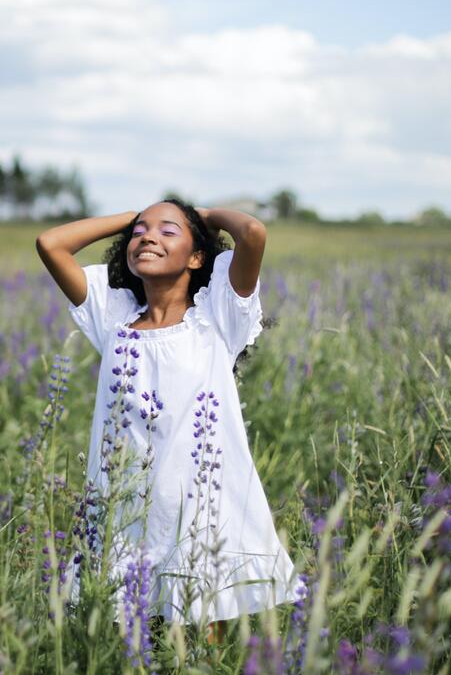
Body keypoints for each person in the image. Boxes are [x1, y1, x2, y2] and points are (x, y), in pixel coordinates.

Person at [36, 199, 301, 646]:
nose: (148, 238)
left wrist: (203, 215)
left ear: (197, 257)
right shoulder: (114, 317)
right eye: (140, 233)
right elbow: (51, 244)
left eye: (168, 232)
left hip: (199, 509)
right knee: (127, 646)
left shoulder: (217, 317)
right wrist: (135, 218)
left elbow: (252, 233)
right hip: (124, 509)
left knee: (198, 645)